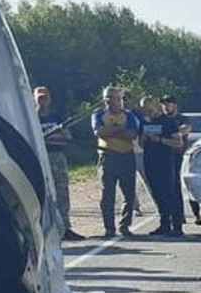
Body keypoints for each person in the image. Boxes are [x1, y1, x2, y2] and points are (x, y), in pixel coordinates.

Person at [91, 87, 141, 237]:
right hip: (107, 156)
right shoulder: (98, 114)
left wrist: (111, 130)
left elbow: (132, 134)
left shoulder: (129, 115)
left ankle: (125, 225)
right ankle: (109, 227)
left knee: (129, 193)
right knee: (107, 194)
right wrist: (120, 130)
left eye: (114, 98)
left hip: (126, 156)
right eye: (107, 98)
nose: (110, 101)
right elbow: (99, 132)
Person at [33, 86, 82, 240]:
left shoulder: (57, 117)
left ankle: (65, 228)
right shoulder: (30, 117)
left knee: (61, 192)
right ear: (34, 98)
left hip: (57, 157)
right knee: (40, 192)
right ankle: (41, 230)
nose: (42, 100)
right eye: (39, 97)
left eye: (45, 97)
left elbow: (66, 138)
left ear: (50, 99)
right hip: (39, 158)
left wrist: (49, 138)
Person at [143, 93, 189, 236]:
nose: (147, 111)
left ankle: (177, 226)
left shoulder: (168, 122)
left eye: (149, 108)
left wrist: (161, 140)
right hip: (150, 162)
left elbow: (178, 142)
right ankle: (164, 224)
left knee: (171, 193)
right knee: (157, 193)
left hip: (167, 162)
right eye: (144, 109)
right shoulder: (145, 123)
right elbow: (140, 143)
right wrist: (145, 138)